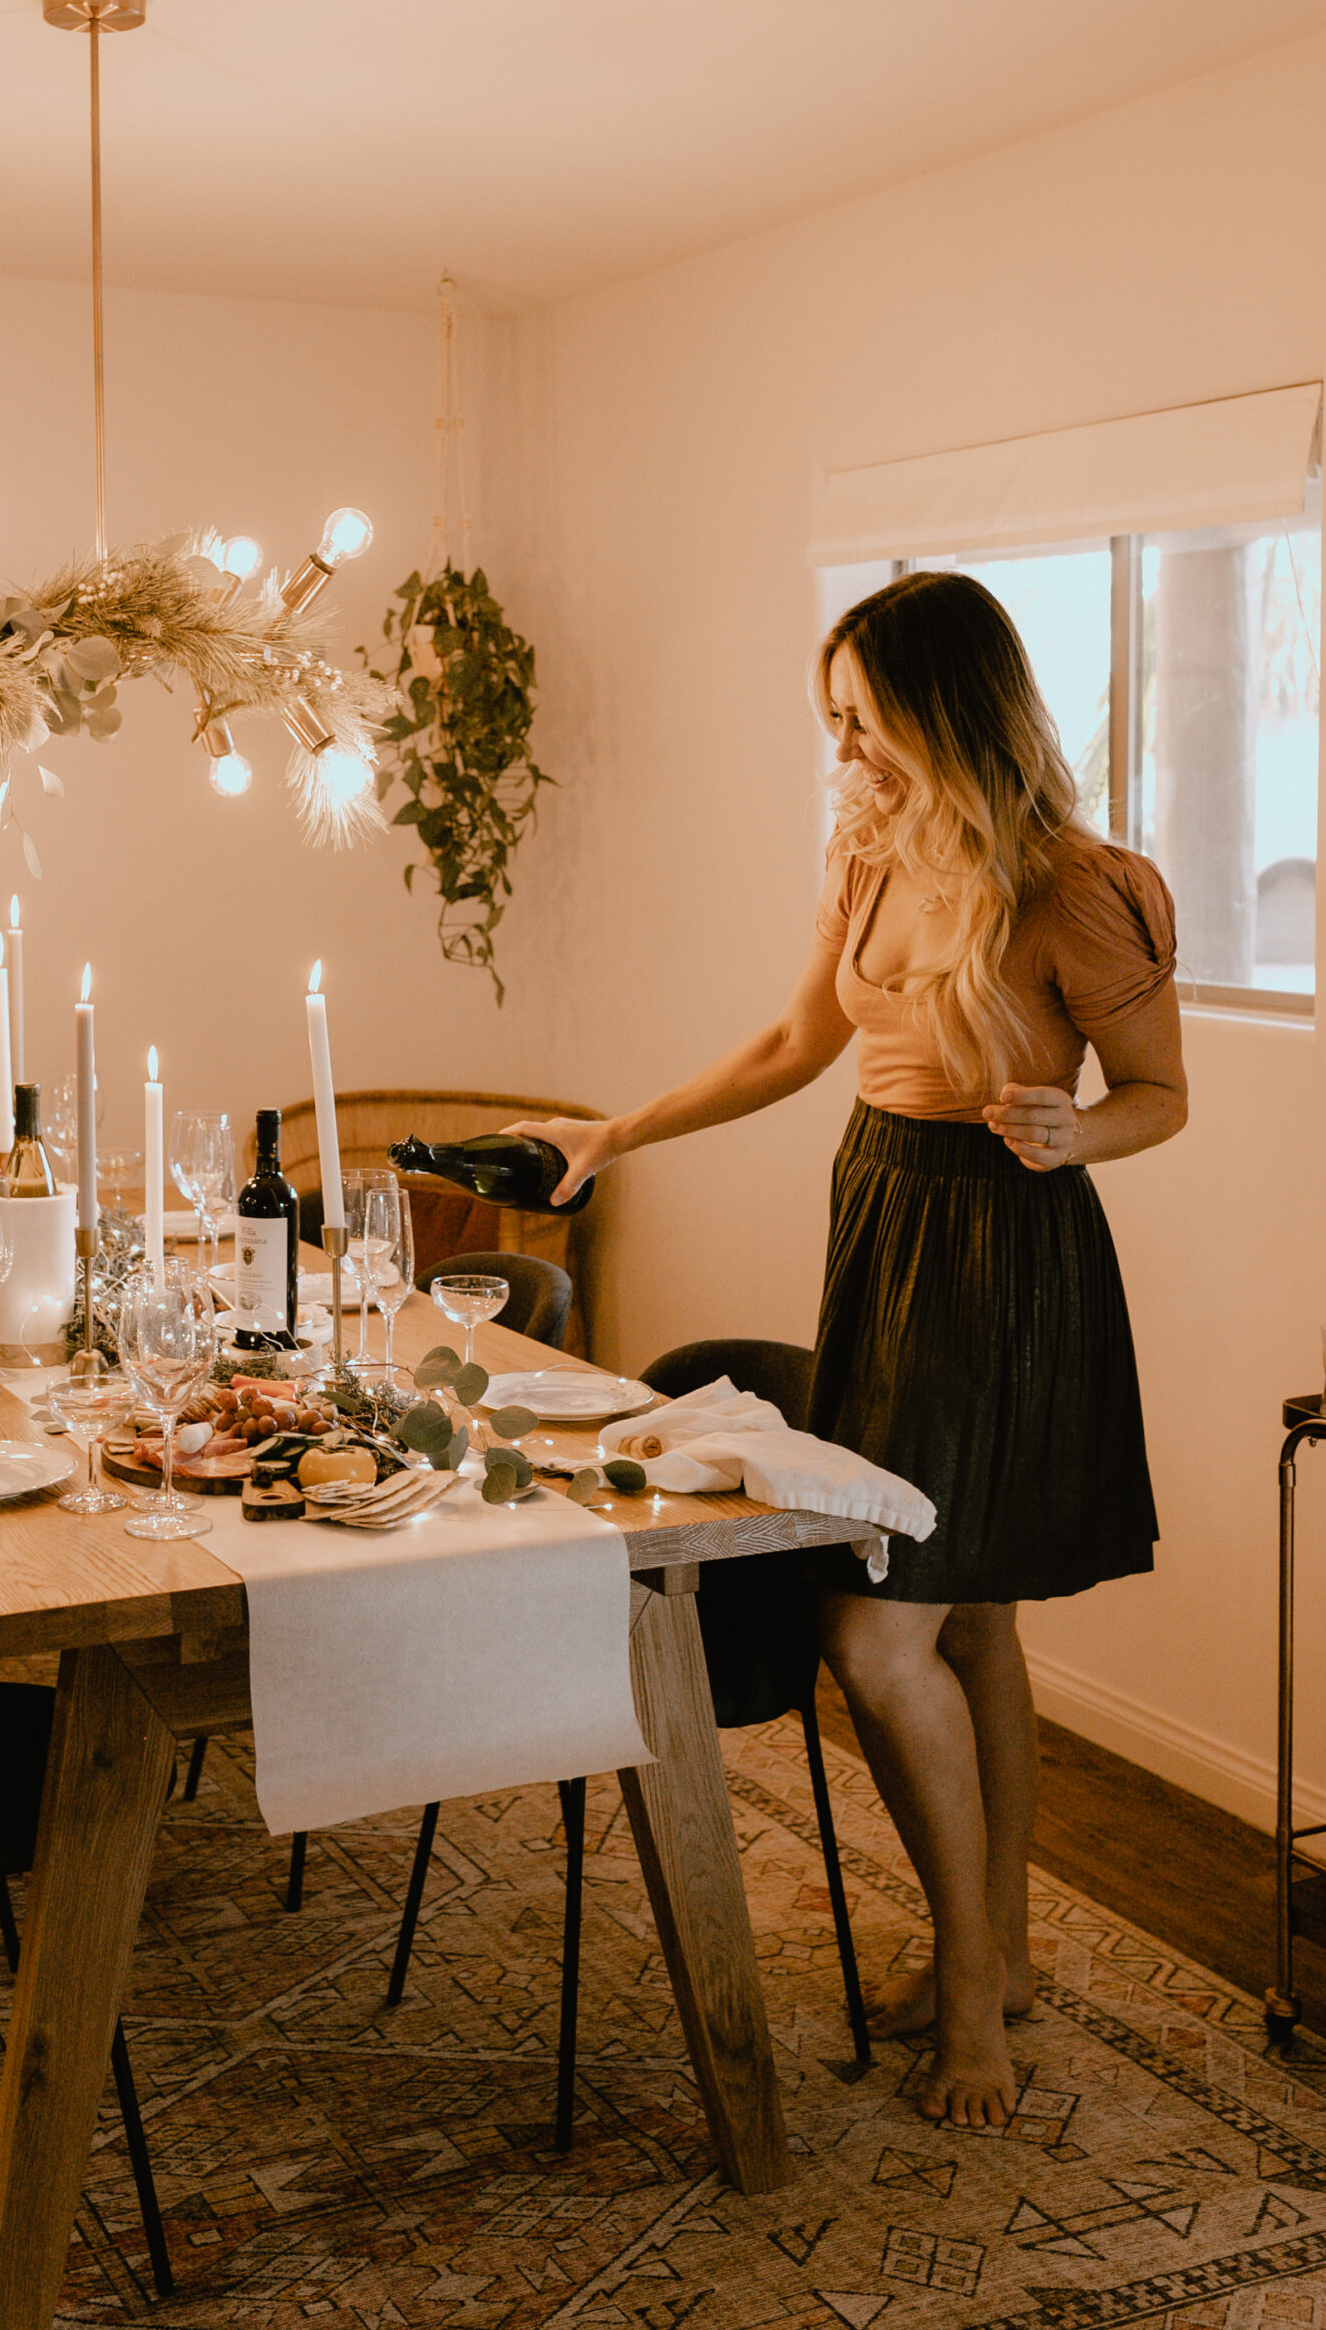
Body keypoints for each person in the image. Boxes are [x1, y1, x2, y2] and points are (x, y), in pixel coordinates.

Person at [523, 570, 1185, 2130]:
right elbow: (793, 1046)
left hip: (1008, 1255)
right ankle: (1002, 1957)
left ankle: (970, 2007)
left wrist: (1074, 1127)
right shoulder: (870, 856)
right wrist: (611, 1135)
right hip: (883, 1227)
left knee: (878, 1634)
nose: (844, 753)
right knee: (970, 1628)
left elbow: (1161, 1094)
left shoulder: (1082, 888)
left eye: (861, 721)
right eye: (831, 723)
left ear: (945, 710)